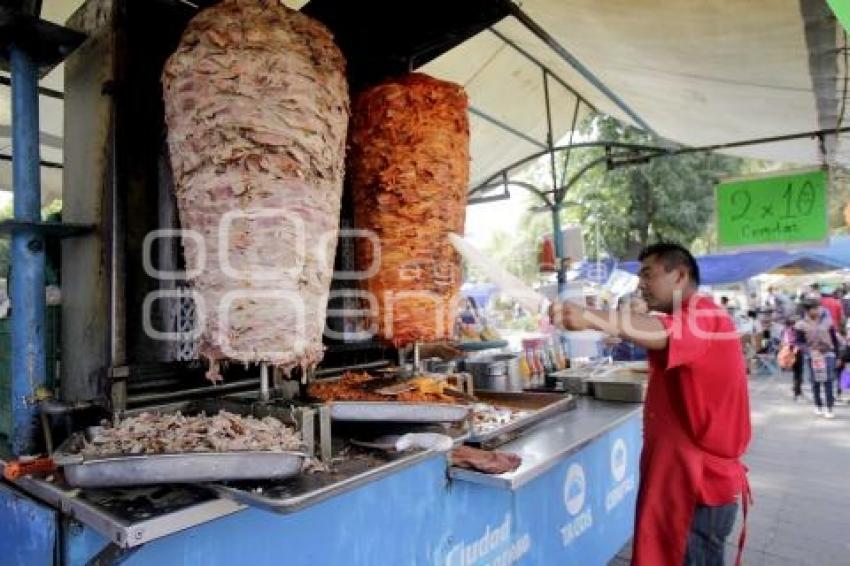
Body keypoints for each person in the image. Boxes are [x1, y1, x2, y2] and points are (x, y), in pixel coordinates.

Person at [550, 242, 751, 566]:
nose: (640, 283)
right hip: (677, 476)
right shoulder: (692, 314)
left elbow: (665, 335)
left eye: (648, 274)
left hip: (698, 485)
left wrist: (589, 316)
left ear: (680, 275)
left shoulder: (704, 314)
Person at [795, 301, 839, 418]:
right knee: (816, 381)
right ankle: (818, 405)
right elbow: (799, 342)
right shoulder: (801, 324)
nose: (818, 311)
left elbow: (834, 339)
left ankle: (829, 408)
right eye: (815, 309)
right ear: (808, 311)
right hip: (813, 356)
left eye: (819, 308)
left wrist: (838, 355)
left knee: (828, 380)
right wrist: (809, 351)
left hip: (828, 353)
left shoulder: (828, 321)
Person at [779, 317, 804, 401]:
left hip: (787, 352)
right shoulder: (798, 331)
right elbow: (802, 341)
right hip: (797, 351)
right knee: (798, 372)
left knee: (795, 373)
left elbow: (782, 343)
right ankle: (797, 392)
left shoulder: (784, 331)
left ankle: (797, 390)